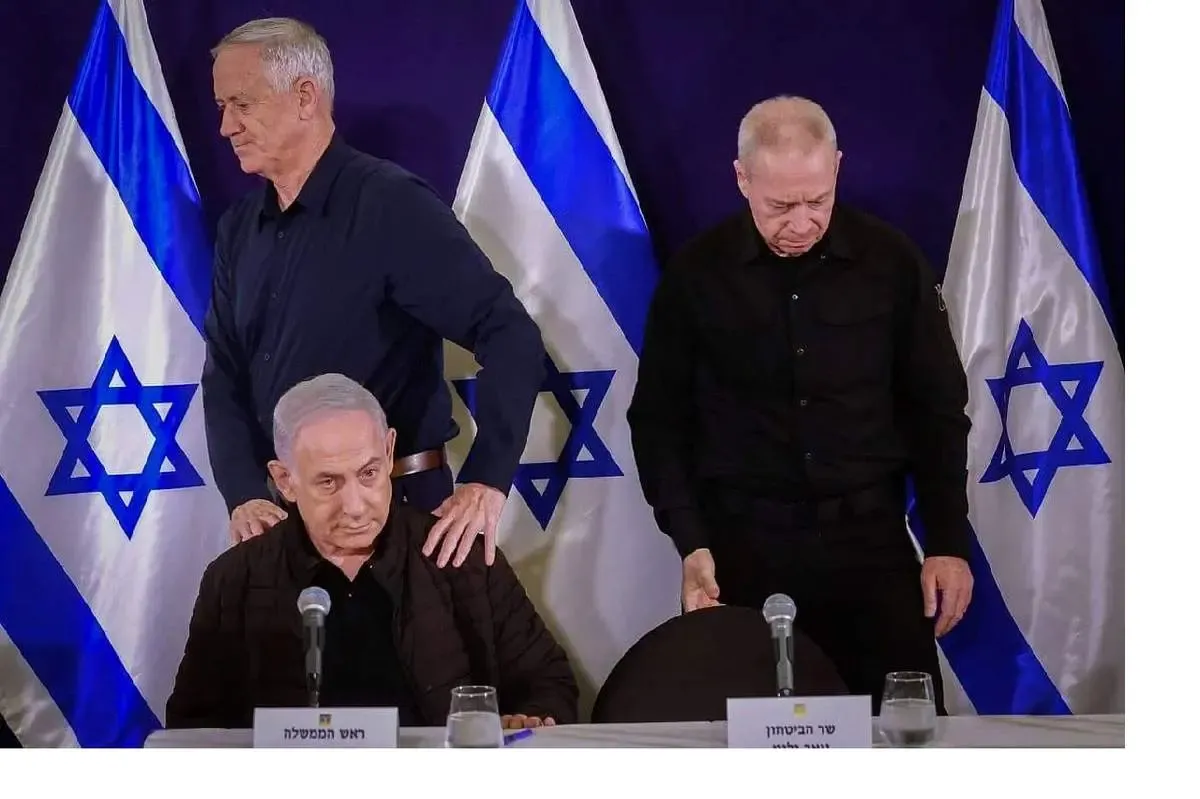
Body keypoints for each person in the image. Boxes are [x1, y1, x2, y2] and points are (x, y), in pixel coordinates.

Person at [626, 95, 974, 714]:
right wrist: (691, 541)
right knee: (753, 733)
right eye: (780, 206)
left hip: (871, 545)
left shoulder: (892, 263)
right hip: (744, 551)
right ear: (742, 179)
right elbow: (658, 421)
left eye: (817, 200)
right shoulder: (696, 276)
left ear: (836, 167)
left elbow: (938, 410)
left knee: (905, 730)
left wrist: (947, 539)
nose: (802, 223)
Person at [202, 17, 546, 567]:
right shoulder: (239, 229)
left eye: (242, 104)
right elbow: (223, 371)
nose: (226, 126)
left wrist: (487, 478)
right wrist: (243, 490)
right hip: (286, 532)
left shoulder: (391, 206)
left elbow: (508, 333)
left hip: (397, 524)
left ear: (305, 97)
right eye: (222, 106)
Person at [165, 373, 577, 730]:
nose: (356, 506)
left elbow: (548, 683)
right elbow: (193, 728)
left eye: (368, 473)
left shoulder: (460, 558)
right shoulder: (235, 579)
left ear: (389, 451)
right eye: (328, 482)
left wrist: (526, 721)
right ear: (285, 480)